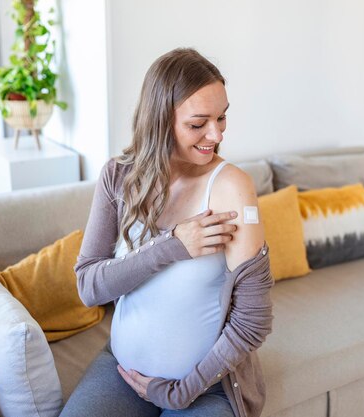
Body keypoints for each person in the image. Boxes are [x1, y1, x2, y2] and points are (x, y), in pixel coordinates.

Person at [61, 48, 274, 417]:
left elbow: (253, 320)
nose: (216, 134)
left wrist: (180, 392)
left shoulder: (233, 187)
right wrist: (172, 245)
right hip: (123, 371)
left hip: (206, 387)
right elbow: (89, 287)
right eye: (198, 123)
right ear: (161, 120)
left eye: (222, 118)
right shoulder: (118, 176)